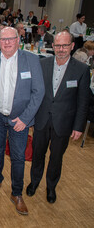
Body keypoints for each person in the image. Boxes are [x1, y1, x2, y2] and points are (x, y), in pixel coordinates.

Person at [0, 27, 45, 215]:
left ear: (18, 40)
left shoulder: (31, 59)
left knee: (18, 157)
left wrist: (25, 119)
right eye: (3, 39)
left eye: (11, 39)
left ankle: (16, 193)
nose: (7, 43)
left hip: (19, 119)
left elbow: (38, 92)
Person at [26, 31, 91, 204]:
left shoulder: (82, 69)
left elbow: (83, 101)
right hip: (41, 119)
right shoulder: (42, 64)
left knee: (56, 158)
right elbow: (34, 93)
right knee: (38, 154)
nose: (61, 49)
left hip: (63, 123)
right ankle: (34, 182)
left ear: (72, 46)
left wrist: (78, 127)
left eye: (65, 45)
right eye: (58, 45)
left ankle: (51, 187)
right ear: (53, 46)